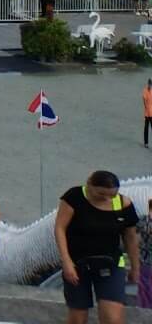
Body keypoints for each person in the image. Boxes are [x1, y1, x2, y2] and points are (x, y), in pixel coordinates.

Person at [56, 169, 141, 324]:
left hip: (110, 264)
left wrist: (135, 267)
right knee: (78, 318)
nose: (106, 199)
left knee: (112, 318)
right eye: (101, 194)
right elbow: (60, 228)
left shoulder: (123, 204)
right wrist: (66, 261)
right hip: (77, 265)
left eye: (112, 195)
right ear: (89, 185)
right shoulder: (74, 197)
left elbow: (130, 237)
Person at [142, 77, 151, 150]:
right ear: (147, 84)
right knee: (146, 128)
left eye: (151, 84)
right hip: (146, 114)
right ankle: (146, 143)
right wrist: (147, 110)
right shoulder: (145, 91)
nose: (150, 86)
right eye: (149, 84)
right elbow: (144, 102)